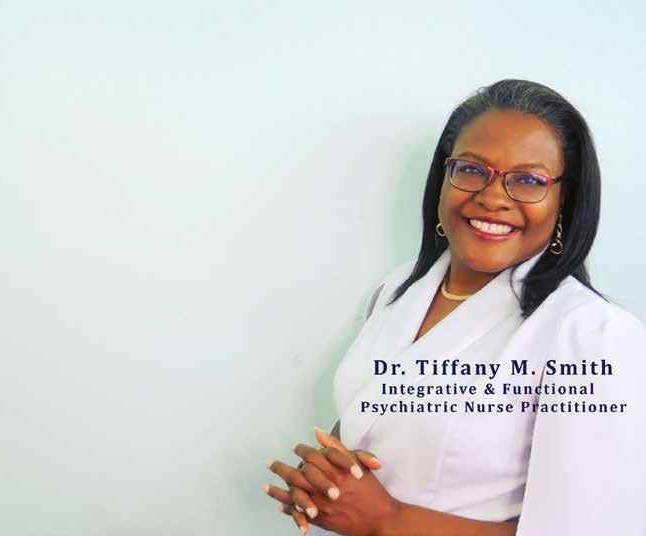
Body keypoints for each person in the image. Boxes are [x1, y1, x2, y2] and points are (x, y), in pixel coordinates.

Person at [264, 79, 646, 535]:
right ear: (444, 178)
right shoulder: (398, 289)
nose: (493, 197)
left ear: (565, 200)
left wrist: (387, 519)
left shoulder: (591, 334)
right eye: (471, 169)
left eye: (529, 180)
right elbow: (374, 422)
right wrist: (327, 481)